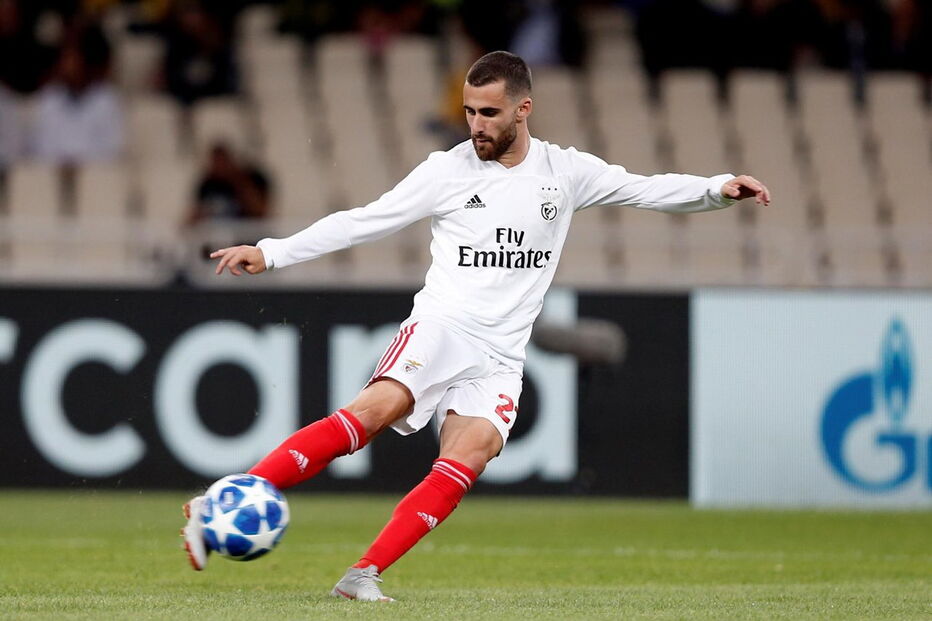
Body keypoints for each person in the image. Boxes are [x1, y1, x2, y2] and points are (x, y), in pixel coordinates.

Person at [182, 50, 770, 602]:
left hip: (501, 355)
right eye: (468, 111)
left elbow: (645, 189)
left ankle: (361, 576)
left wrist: (717, 189)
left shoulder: (565, 173)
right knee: (372, 413)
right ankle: (221, 502)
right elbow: (364, 221)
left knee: (471, 455)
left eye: (488, 112)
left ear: (523, 108)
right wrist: (272, 251)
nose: (475, 124)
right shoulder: (448, 172)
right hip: (443, 327)